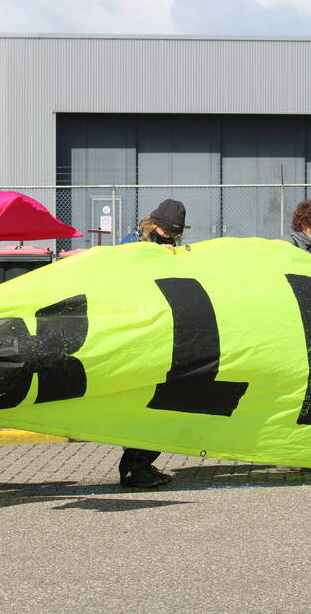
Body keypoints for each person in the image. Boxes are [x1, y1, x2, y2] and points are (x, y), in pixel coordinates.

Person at [117, 200, 187, 489]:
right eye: (164, 231)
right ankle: (135, 469)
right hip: (138, 331)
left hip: (160, 330)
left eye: (173, 234)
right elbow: (123, 268)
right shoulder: (132, 242)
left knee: (158, 404)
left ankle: (140, 465)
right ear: (153, 223)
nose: (168, 237)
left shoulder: (171, 244)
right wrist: (155, 254)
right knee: (145, 406)